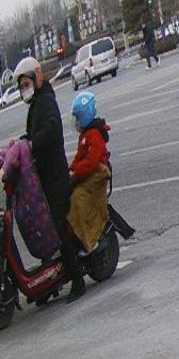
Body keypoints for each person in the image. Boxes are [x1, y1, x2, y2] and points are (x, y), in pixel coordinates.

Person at [13, 56, 86, 303]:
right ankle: (49, 284)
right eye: (21, 86)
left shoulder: (46, 101)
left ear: (37, 77)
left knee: (57, 228)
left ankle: (77, 280)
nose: (24, 89)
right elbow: (35, 132)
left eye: (26, 84)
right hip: (43, 178)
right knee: (43, 227)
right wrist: (23, 142)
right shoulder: (36, 103)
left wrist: (33, 143)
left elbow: (52, 130)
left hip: (55, 178)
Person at [68, 91, 111, 254]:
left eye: (78, 117)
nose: (76, 122)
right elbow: (79, 156)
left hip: (97, 173)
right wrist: (70, 170)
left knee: (78, 199)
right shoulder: (85, 135)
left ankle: (89, 241)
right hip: (88, 173)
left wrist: (76, 173)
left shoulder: (94, 134)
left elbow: (91, 162)